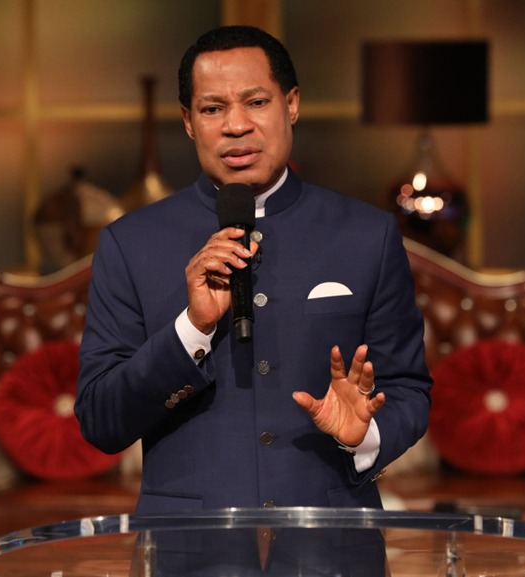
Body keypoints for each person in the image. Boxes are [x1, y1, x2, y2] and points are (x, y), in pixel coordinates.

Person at [75, 25, 432, 515]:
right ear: (188, 122)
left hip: (330, 540)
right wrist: (191, 330)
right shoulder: (130, 243)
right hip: (187, 546)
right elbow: (100, 420)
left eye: (256, 102)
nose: (236, 126)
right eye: (212, 109)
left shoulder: (368, 235)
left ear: (292, 104)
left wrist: (364, 435)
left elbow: (409, 390)